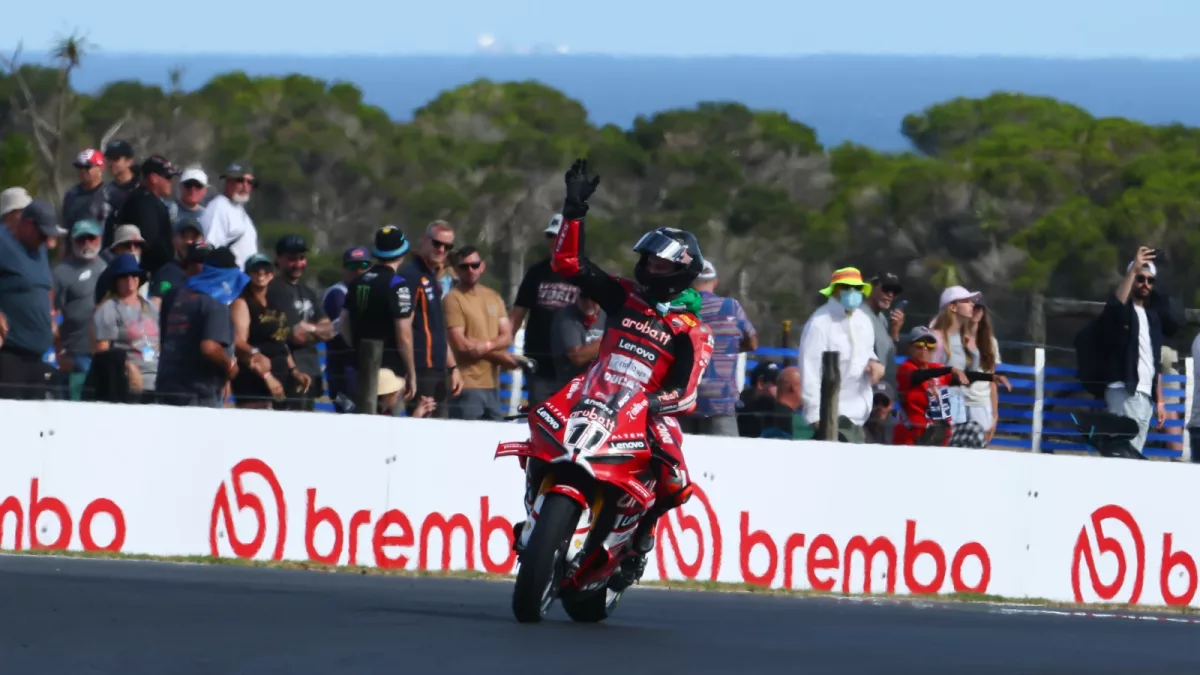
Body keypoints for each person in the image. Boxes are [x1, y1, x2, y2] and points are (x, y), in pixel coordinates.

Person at [513, 159, 715, 589]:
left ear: (682, 271)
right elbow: (569, 264)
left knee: (677, 483)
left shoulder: (691, 330)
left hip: (647, 413)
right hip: (593, 394)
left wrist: (650, 402)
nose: (650, 269)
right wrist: (574, 210)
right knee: (538, 422)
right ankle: (533, 513)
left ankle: (640, 541)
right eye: (648, 262)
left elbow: (687, 394)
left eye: (661, 266)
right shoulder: (623, 295)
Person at [797, 267, 884, 442]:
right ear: (835, 290)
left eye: (857, 288)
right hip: (830, 415)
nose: (852, 292)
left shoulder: (864, 321)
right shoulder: (819, 323)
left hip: (860, 416)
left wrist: (875, 363)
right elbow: (809, 371)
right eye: (846, 287)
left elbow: (867, 352)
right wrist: (816, 416)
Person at [341, 226, 419, 407]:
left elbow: (344, 324)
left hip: (362, 367)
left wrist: (358, 347)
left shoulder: (358, 281)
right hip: (391, 375)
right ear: (401, 254)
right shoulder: (398, 285)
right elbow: (404, 336)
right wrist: (412, 374)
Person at [682, 260, 757, 436]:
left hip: (685, 399)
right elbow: (753, 343)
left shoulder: (680, 308)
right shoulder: (730, 307)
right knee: (725, 460)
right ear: (715, 282)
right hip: (721, 401)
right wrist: (726, 349)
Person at [894, 326, 997, 446]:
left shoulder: (936, 368)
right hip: (912, 438)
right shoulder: (905, 369)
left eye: (930, 345)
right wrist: (950, 369)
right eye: (919, 344)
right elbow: (919, 376)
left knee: (974, 430)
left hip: (939, 436)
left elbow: (964, 377)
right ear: (909, 347)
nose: (925, 348)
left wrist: (990, 377)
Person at [231, 253, 310, 409]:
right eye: (255, 270)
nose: (261, 274)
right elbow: (238, 342)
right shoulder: (242, 303)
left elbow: (280, 340)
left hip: (280, 375)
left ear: (272, 274)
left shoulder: (276, 301)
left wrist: (294, 370)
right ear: (248, 274)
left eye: (266, 269)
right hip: (254, 377)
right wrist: (265, 373)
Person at [91, 253, 161, 401]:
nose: (130, 279)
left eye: (134, 275)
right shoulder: (109, 308)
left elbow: (161, 342)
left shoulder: (151, 307)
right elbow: (102, 350)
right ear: (116, 280)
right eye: (124, 276)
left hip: (158, 380)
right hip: (129, 383)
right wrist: (128, 367)